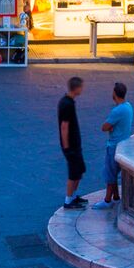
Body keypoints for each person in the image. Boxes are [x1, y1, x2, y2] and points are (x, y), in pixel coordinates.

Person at [100, 82, 133, 204]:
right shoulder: (128, 106)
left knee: (110, 173)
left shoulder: (117, 111)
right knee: (113, 172)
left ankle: (107, 200)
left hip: (114, 145)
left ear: (114, 93)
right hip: (124, 143)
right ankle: (116, 196)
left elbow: (104, 127)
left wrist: (110, 127)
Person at [57, 76, 87, 211]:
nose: (82, 89)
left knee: (79, 170)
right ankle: (68, 200)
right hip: (71, 146)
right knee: (73, 172)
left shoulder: (68, 102)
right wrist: (67, 147)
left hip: (74, 144)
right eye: (81, 87)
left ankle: (73, 196)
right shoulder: (67, 105)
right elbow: (64, 126)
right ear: (76, 88)